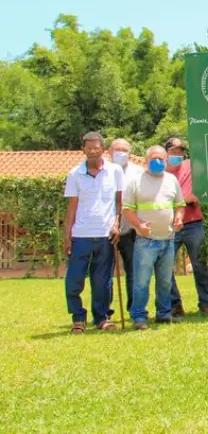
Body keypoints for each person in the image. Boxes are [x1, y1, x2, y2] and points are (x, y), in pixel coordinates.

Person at [63, 131, 125, 334]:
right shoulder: (74, 174)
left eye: (96, 147)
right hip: (80, 235)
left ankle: (102, 318)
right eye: (88, 147)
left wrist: (117, 224)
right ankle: (78, 319)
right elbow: (72, 207)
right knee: (74, 279)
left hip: (106, 235)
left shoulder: (115, 171)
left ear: (103, 149)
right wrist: (67, 237)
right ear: (83, 150)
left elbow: (119, 202)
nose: (92, 151)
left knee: (102, 282)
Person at [122, 146, 186, 330]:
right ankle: (139, 317)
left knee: (165, 280)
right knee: (141, 281)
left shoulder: (171, 180)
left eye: (161, 158)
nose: (158, 161)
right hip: (145, 240)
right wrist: (138, 225)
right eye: (154, 158)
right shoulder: (135, 181)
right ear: (146, 159)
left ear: (166, 160)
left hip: (168, 239)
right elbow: (127, 208)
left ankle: (164, 314)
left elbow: (180, 204)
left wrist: (179, 217)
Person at [165, 137, 208, 318]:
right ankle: (175, 304)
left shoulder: (190, 165)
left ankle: (205, 303)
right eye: (174, 151)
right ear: (166, 153)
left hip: (194, 223)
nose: (178, 155)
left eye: (180, 151)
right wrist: (184, 200)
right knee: (165, 266)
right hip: (169, 226)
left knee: (200, 264)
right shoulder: (159, 172)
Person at [107, 137, 143, 312]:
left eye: (125, 150)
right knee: (105, 272)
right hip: (106, 231)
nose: (121, 153)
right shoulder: (103, 171)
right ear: (109, 152)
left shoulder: (138, 172)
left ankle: (133, 307)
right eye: (117, 149)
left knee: (133, 271)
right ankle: (105, 310)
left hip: (130, 230)